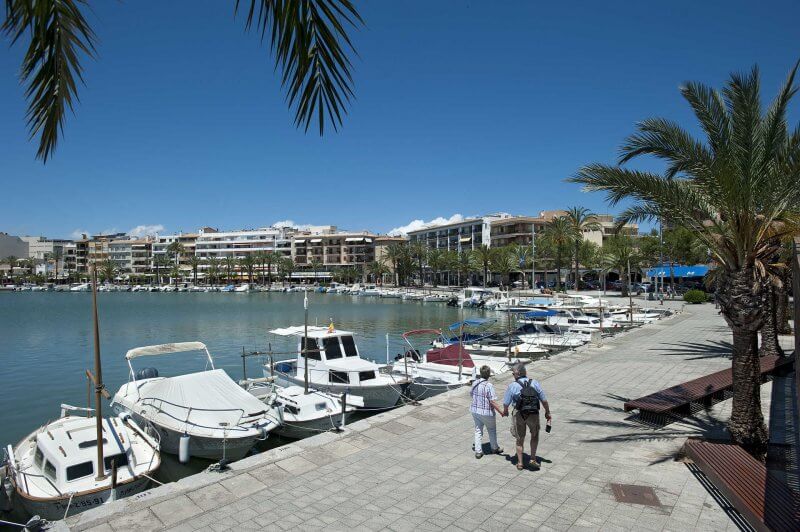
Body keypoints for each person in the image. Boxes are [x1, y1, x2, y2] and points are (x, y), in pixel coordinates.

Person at [503, 363, 551, 471]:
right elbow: (544, 400)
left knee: (520, 439)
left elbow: (506, 403)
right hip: (533, 413)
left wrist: (505, 411)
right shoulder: (535, 383)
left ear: (518, 373)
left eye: (513, 373)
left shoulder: (512, 386)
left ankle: (520, 463)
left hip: (519, 414)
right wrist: (547, 413)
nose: (512, 375)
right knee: (534, 435)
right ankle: (533, 459)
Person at [469, 365, 505, 459]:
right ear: (488, 374)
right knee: (491, 429)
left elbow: (471, 394)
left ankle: (478, 451)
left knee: (478, 430)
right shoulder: (489, 385)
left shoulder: (475, 383)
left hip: (475, 410)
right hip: (486, 412)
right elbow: (492, 401)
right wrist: (501, 412)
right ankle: (494, 448)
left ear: (480, 373)